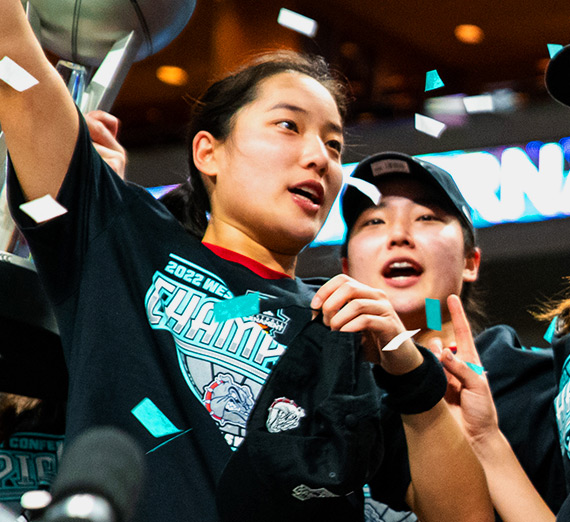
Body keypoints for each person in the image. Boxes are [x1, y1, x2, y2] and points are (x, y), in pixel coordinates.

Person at [0, 1, 493, 520]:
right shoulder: (118, 238)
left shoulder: (349, 322)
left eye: (333, 144)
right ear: (208, 152)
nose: (320, 157)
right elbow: (12, 61)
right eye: (288, 126)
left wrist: (414, 379)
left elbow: (464, 517)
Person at [339, 151, 567, 520]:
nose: (398, 235)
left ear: (470, 262)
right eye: (374, 221)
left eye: (426, 217)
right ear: (346, 268)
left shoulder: (544, 386)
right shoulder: (325, 398)